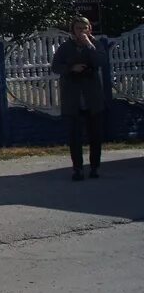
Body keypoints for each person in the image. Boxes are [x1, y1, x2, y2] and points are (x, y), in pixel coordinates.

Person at [52, 16, 104, 181]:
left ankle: (94, 167)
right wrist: (71, 68)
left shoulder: (95, 45)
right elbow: (55, 67)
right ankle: (78, 169)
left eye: (84, 28)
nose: (81, 31)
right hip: (73, 97)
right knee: (75, 136)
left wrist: (89, 45)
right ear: (73, 30)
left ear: (90, 29)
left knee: (95, 134)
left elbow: (100, 62)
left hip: (91, 97)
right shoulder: (66, 47)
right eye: (78, 28)